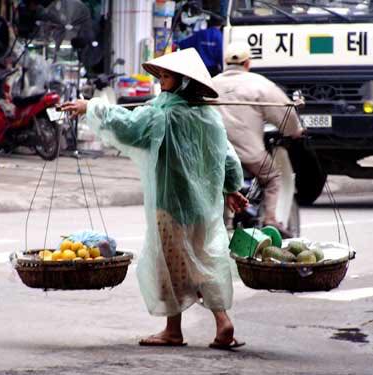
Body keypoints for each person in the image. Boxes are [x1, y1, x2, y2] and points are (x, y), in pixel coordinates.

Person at [60, 48, 248, 350]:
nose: (161, 81)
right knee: (201, 262)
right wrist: (232, 188)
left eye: (167, 76)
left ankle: (177, 330)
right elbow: (227, 157)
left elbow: (128, 125)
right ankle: (219, 322)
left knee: (169, 266)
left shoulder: (163, 114)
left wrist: (91, 107)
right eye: (160, 76)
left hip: (170, 206)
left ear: (185, 82)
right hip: (202, 209)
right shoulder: (209, 116)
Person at [212, 42, 304, 238]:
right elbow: (285, 113)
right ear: (247, 63)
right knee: (272, 178)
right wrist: (295, 131)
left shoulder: (211, 84)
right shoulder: (259, 84)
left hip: (214, 156)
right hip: (250, 157)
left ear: (225, 63)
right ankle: (270, 220)